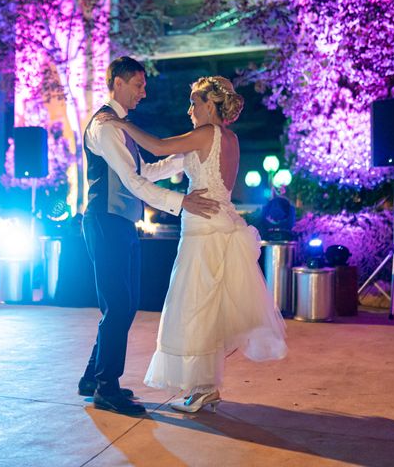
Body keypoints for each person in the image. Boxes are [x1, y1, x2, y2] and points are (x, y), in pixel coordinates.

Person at [104, 76, 288, 413]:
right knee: (208, 308)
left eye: (194, 102)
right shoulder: (228, 139)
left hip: (203, 230)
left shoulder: (206, 134)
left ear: (209, 104)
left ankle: (204, 388)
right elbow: (160, 165)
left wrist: (121, 123)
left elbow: (158, 146)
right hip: (221, 222)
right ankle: (207, 388)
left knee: (196, 309)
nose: (189, 110)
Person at [80, 57, 220, 416]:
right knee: (119, 305)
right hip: (104, 220)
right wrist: (181, 201)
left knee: (123, 304)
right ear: (119, 83)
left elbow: (147, 170)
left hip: (122, 222)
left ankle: (93, 379)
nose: (144, 92)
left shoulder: (123, 127)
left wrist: (188, 157)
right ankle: (105, 388)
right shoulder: (106, 127)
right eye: (139, 85)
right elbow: (133, 182)